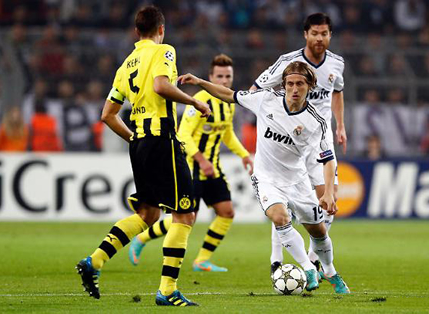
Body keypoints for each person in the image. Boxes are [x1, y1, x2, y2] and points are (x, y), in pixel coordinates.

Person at [75, 5, 211, 307]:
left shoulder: (125, 65)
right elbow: (161, 86)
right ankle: (167, 290)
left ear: (137, 32)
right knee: (185, 214)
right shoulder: (165, 51)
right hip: (162, 139)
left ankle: (94, 261)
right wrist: (195, 103)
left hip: (140, 143)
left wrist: (134, 137)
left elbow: (108, 114)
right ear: (161, 30)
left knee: (148, 214)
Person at [178, 61, 350, 294]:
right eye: (289, 83)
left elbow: (328, 160)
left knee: (319, 232)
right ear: (284, 84)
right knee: (279, 218)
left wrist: (329, 191)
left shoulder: (316, 121)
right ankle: (308, 268)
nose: (294, 89)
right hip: (267, 177)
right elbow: (228, 94)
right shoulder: (266, 99)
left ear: (309, 86)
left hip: (297, 181)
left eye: (300, 83)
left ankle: (329, 271)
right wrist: (199, 82)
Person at [128, 54, 253, 272]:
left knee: (227, 212)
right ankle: (142, 238)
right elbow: (183, 135)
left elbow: (227, 133)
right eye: (220, 76)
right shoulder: (199, 101)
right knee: (186, 218)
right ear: (210, 77)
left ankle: (201, 260)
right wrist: (202, 160)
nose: (224, 81)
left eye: (228, 77)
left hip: (212, 169)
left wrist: (244, 154)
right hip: (191, 169)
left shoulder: (229, 103)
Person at [251, 13, 346, 278]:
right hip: (290, 141)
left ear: (330, 35)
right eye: (314, 33)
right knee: (284, 201)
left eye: (324, 33)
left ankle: (314, 262)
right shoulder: (288, 64)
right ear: (305, 34)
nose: (319, 38)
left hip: (318, 141)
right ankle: (277, 258)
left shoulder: (337, 64)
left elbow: (337, 92)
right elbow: (256, 88)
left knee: (329, 200)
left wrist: (340, 125)